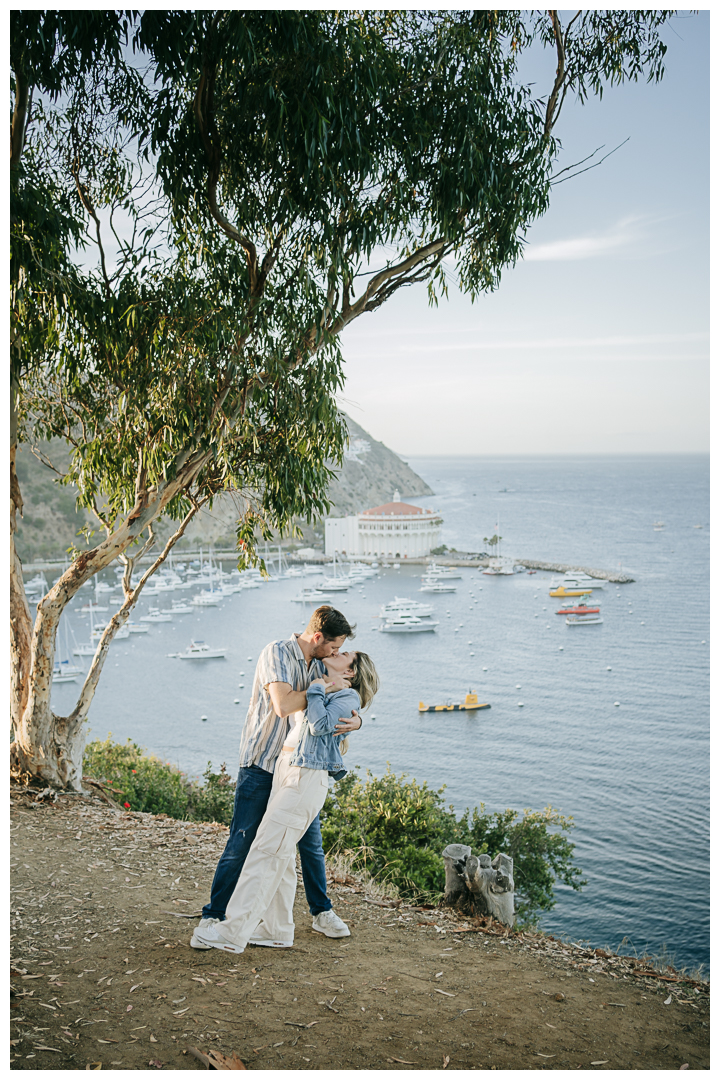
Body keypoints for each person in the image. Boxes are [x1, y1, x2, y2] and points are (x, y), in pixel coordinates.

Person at [190, 606, 360, 950]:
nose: (336, 653)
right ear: (317, 638)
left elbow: (343, 704)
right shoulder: (278, 653)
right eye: (334, 646)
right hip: (262, 763)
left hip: (297, 768)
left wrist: (358, 721)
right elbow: (283, 705)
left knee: (308, 847)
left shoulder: (319, 666)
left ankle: (319, 912)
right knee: (243, 843)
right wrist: (323, 688)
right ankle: (215, 914)